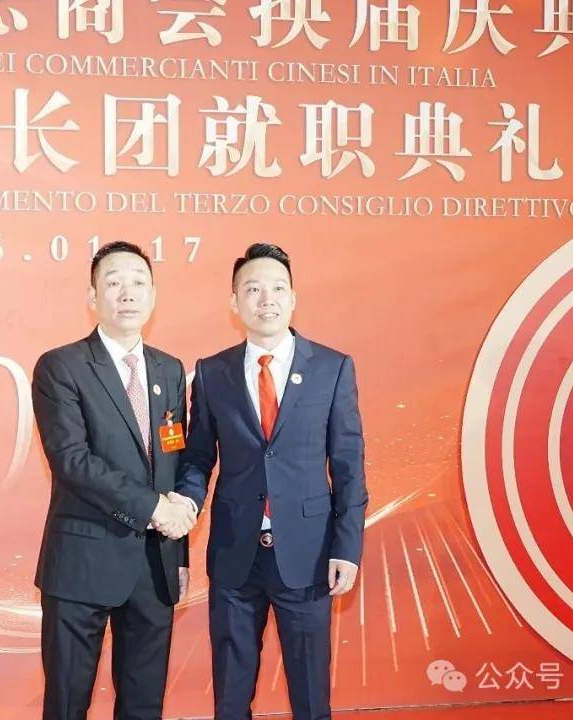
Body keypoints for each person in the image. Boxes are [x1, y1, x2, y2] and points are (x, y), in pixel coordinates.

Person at [176, 242, 368, 720]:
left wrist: (346, 547)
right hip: (235, 555)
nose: (267, 299)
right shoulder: (212, 373)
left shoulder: (331, 367)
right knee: (231, 692)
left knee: (310, 692)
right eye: (253, 289)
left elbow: (348, 464)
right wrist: (185, 505)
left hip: (308, 553)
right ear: (234, 302)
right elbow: (198, 458)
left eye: (278, 288)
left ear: (293, 297)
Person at [32, 241, 196, 720]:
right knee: (67, 703)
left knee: (144, 704)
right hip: (82, 561)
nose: (128, 293)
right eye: (114, 282)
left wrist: (179, 552)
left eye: (139, 282)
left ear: (153, 295)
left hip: (155, 566)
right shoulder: (61, 366)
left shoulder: (169, 369)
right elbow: (72, 460)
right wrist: (153, 509)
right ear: (93, 296)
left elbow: (173, 460)